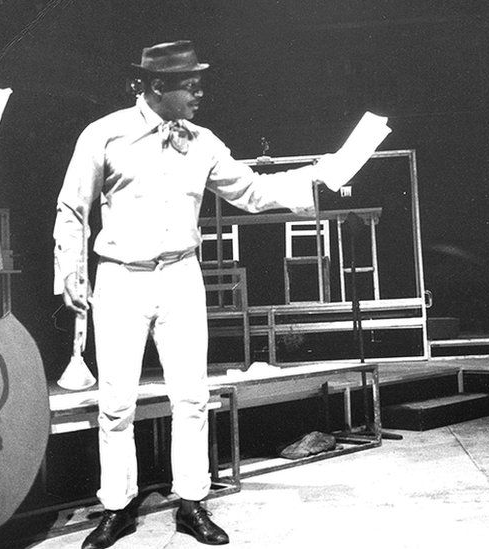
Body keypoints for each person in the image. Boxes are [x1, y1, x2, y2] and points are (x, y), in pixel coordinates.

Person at [54, 40, 336, 548]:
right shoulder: (105, 134)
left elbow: (251, 191)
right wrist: (70, 271)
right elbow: (72, 207)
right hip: (120, 277)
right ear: (156, 86)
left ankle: (191, 503)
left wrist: (317, 177)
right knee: (116, 402)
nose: (200, 93)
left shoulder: (202, 141)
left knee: (191, 395)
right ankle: (117, 507)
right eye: (191, 84)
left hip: (181, 275)